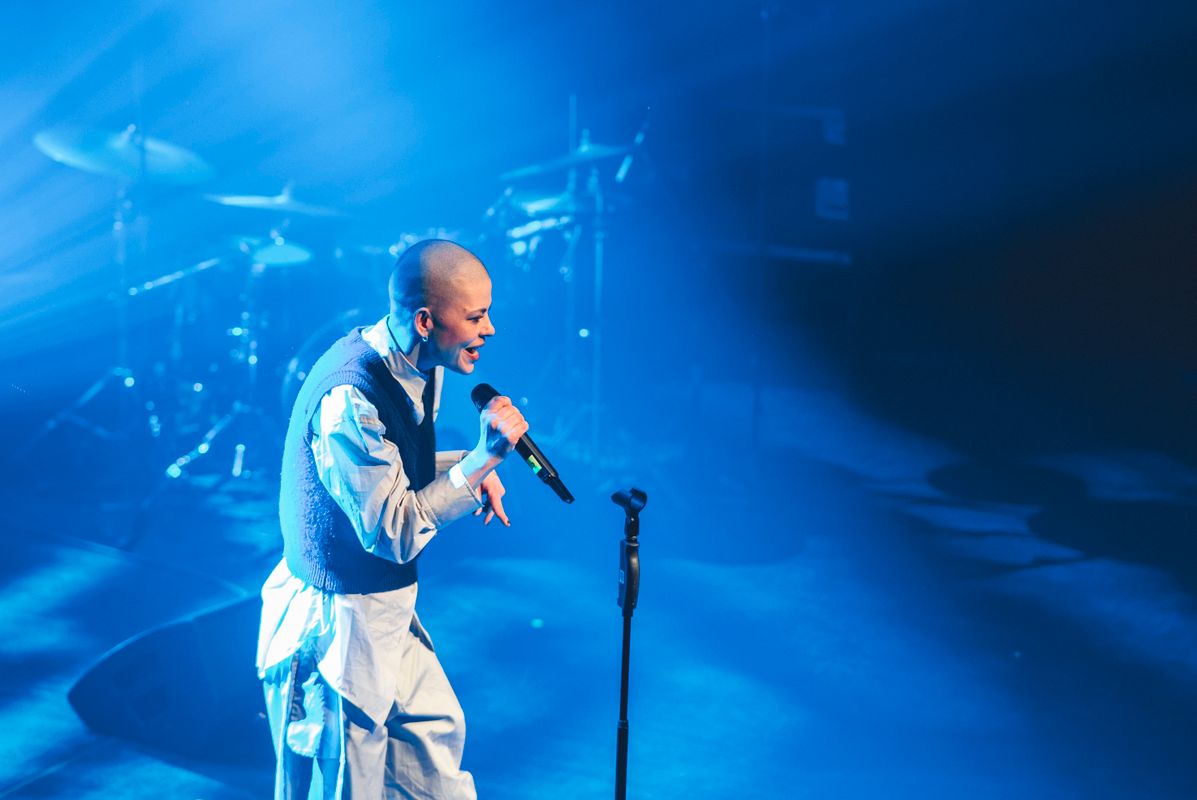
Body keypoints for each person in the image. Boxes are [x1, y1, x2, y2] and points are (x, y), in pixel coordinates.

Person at [256, 239, 527, 799]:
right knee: (346, 784)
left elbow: (397, 468)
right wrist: (482, 460)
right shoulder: (349, 399)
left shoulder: (419, 364)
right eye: (476, 317)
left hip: (385, 612)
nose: (490, 329)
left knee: (435, 753)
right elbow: (393, 532)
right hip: (336, 625)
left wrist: (470, 466)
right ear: (426, 321)